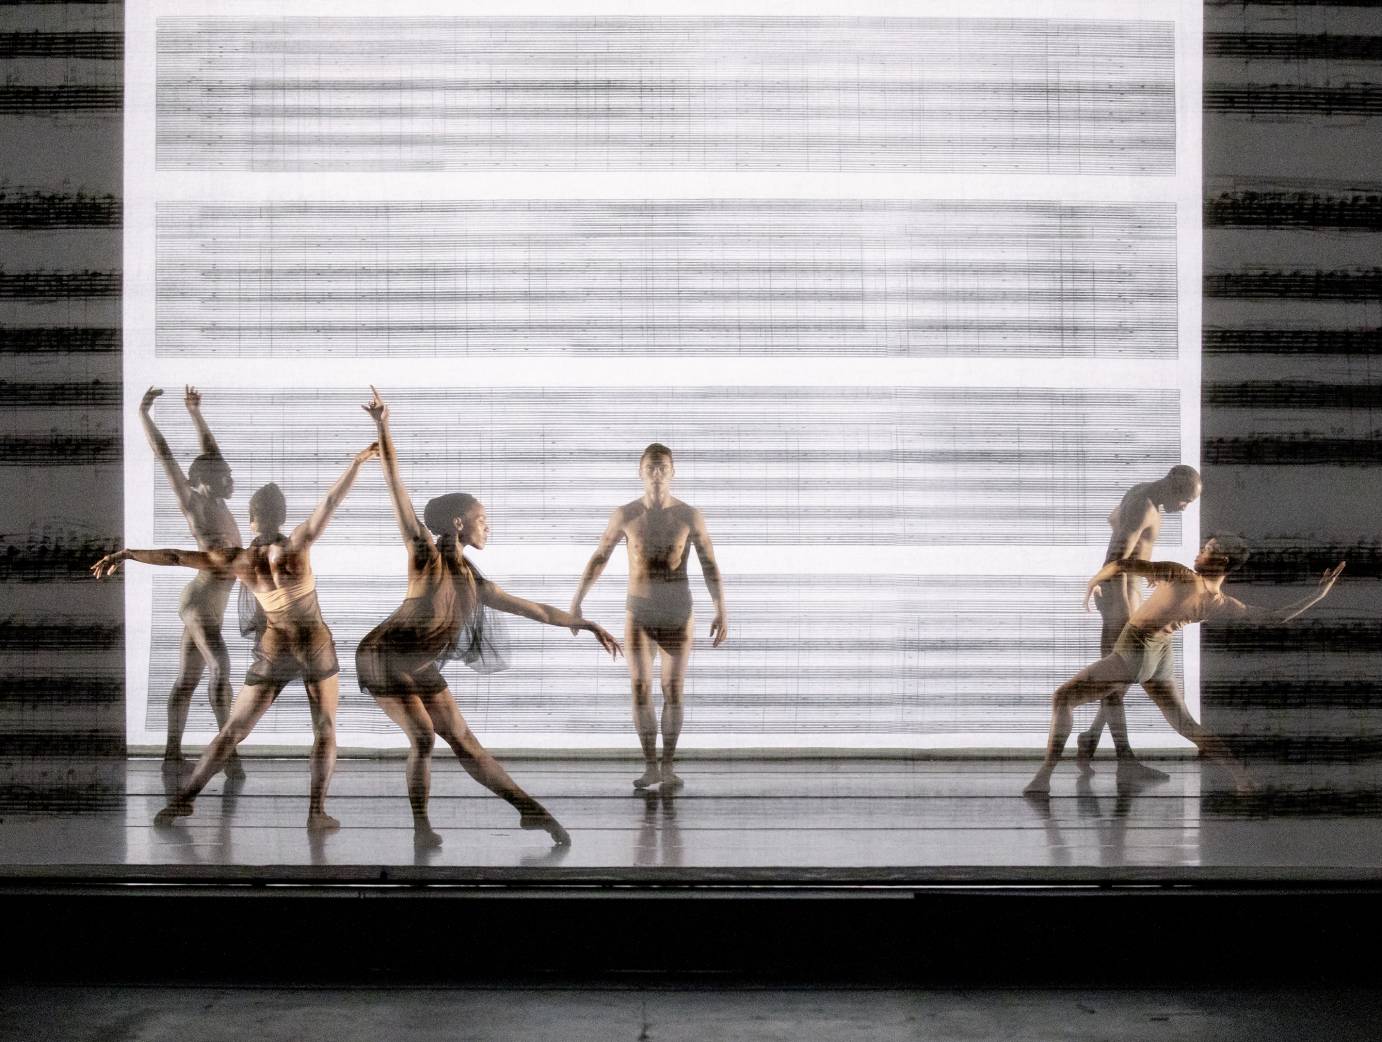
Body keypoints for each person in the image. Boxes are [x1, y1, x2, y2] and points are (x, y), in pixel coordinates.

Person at [355, 387, 620, 849]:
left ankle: (529, 811)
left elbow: (531, 608)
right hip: (381, 657)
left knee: (465, 742)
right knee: (423, 738)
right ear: (458, 522)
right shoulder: (425, 554)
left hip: (417, 665)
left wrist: (585, 622)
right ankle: (421, 829)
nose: (488, 525)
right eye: (482, 518)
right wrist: (382, 426)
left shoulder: (474, 582)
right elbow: (398, 488)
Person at [93, 443, 380, 831]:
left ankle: (184, 800)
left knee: (232, 731)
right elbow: (330, 501)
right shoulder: (297, 545)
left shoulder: (239, 560)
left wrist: (126, 554)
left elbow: (178, 556)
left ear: (250, 519)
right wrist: (357, 463)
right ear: (281, 517)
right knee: (325, 728)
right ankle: (316, 813)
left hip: (275, 647)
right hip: (314, 644)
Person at [1024, 537, 1344, 796]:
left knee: (1062, 698)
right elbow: (1276, 617)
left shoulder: (1180, 574)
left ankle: (1043, 778)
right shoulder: (1220, 602)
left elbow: (1121, 564)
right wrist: (1320, 593)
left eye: (1207, 550)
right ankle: (1242, 779)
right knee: (1186, 724)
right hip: (1161, 656)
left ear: (1221, 562)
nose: (1200, 552)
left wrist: (1092, 583)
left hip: (1135, 651)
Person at [569, 442, 727, 791]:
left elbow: (709, 563)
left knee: (673, 688)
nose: (657, 473)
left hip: (678, 610)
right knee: (640, 687)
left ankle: (668, 766)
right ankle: (650, 765)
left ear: (673, 472)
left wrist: (721, 610)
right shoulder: (625, 514)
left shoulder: (689, 515)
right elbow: (599, 557)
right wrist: (577, 601)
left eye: (663, 467)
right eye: (650, 467)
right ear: (640, 472)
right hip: (639, 611)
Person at [137, 385, 243, 775]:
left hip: (208, 603)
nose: (231, 478)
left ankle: (170, 752)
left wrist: (195, 412)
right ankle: (228, 753)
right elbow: (165, 456)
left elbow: (211, 453)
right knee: (222, 668)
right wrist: (145, 415)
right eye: (225, 475)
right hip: (201, 602)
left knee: (187, 679)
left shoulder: (218, 501)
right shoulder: (194, 501)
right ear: (205, 479)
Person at [1077, 464, 1202, 783]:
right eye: (1186, 501)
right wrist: (1128, 615)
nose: (1185, 508)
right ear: (1174, 489)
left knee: (1117, 680)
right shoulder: (1143, 507)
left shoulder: (1141, 493)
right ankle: (1125, 760)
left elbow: (1112, 521)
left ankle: (1091, 738)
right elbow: (1114, 561)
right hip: (1121, 601)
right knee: (1117, 680)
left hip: (1126, 596)